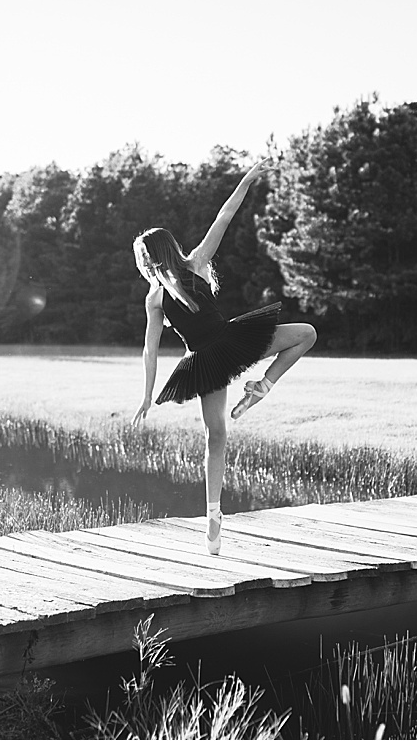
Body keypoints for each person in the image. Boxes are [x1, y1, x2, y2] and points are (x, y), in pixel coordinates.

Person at [130, 157, 317, 555]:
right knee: (306, 334)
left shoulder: (157, 296)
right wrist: (247, 178)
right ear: (171, 248)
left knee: (216, 437)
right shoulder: (191, 266)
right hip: (230, 346)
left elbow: (150, 351)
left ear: (148, 260)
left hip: (211, 358)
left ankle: (214, 513)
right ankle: (262, 387)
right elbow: (225, 215)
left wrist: (148, 396)